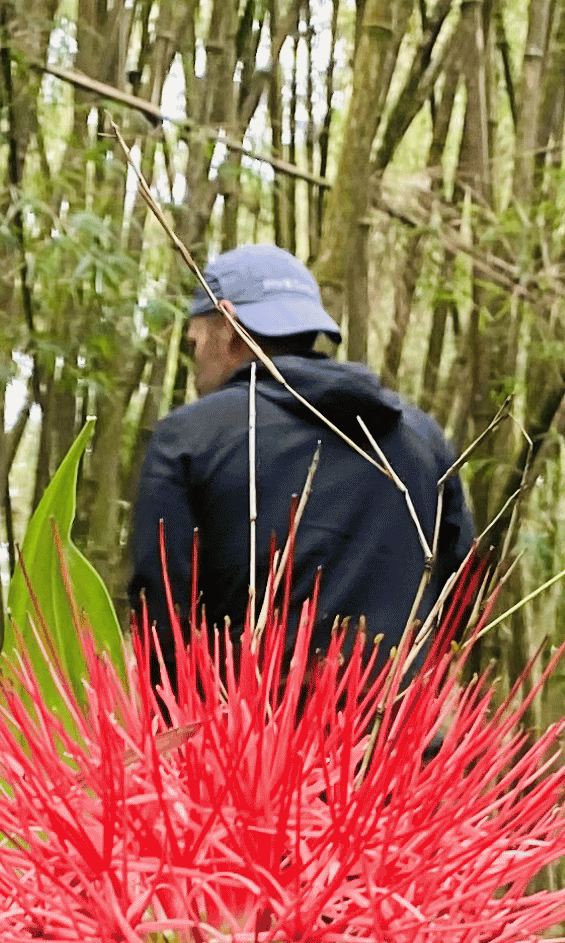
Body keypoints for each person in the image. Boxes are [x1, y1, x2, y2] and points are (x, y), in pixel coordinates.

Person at [126, 243, 475, 665]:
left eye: (194, 343)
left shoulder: (187, 439)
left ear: (229, 327)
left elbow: (161, 619)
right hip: (394, 725)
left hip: (237, 726)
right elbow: (457, 597)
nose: (195, 362)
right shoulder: (424, 440)